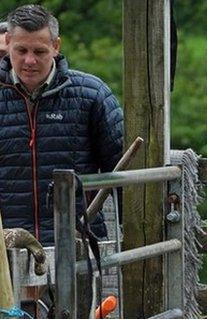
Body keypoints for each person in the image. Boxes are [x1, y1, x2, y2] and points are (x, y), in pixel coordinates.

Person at [0, 4, 122, 245]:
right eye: (21, 50)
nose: (30, 60)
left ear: (56, 46)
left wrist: (137, 235)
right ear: (8, 42)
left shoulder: (92, 94)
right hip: (7, 248)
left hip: (76, 243)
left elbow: (124, 172)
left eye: (40, 51)